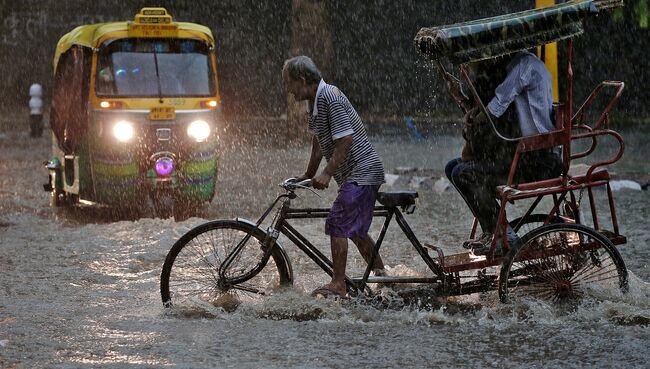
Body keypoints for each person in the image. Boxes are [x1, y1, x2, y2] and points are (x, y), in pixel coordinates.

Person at [282, 55, 386, 298]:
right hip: (355, 173)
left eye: (290, 84)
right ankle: (383, 278)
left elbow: (346, 140)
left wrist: (327, 173)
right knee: (356, 231)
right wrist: (309, 174)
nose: (289, 90)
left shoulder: (330, 98)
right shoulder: (315, 102)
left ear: (303, 79)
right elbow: (319, 141)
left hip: (363, 171)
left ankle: (338, 283)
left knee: (338, 222)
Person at [445, 50, 562, 255]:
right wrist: (464, 102)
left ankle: (502, 233)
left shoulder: (523, 67)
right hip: (522, 154)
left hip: (535, 159)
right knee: (452, 168)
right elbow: (486, 112)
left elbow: (494, 108)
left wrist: (473, 119)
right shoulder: (510, 69)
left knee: (462, 173)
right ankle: (492, 229)